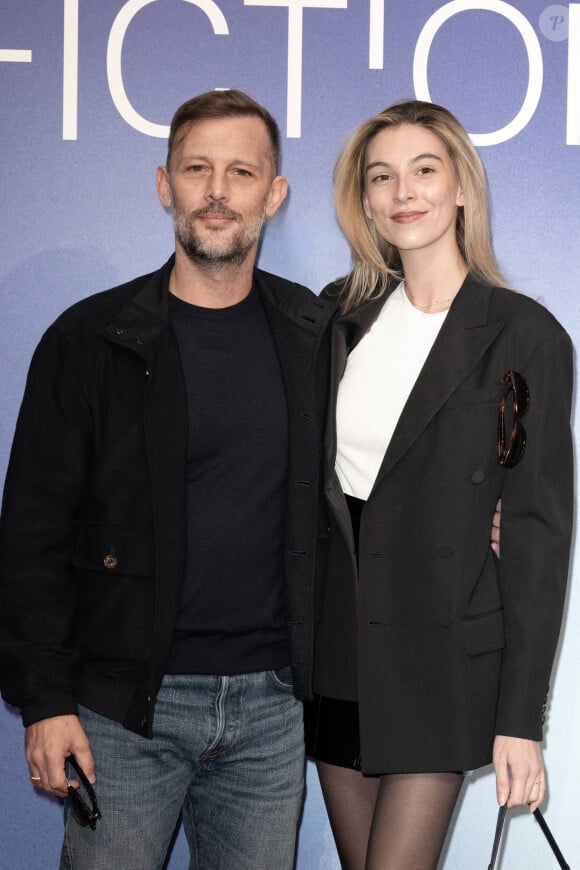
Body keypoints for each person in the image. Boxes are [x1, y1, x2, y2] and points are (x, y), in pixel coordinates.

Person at [0, 89, 335, 869]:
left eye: (242, 172)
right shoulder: (89, 341)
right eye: (197, 169)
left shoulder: (316, 338)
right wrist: (46, 701)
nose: (218, 191)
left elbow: (367, 483)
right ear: (164, 185)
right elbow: (32, 534)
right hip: (120, 709)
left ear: (273, 195)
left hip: (271, 711)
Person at [304, 100, 573, 869]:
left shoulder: (524, 336)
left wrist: (521, 719)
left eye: (424, 170)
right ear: (363, 201)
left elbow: (537, 537)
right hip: (340, 651)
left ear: (461, 186)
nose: (403, 192)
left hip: (442, 658)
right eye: (381, 177)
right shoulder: (336, 320)